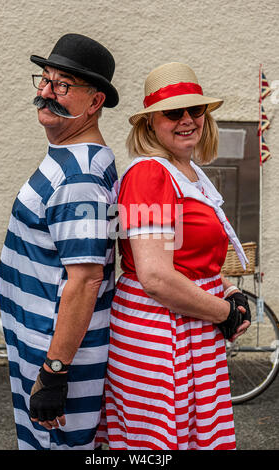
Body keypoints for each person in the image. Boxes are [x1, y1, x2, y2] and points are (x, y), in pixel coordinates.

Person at [103, 62, 251, 450]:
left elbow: (191, 260)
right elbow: (154, 277)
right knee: (160, 444)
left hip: (189, 325)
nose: (187, 120)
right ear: (150, 123)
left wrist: (227, 291)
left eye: (195, 110)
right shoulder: (148, 175)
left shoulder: (186, 170)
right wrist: (224, 313)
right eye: (173, 112)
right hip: (160, 331)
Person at [0, 33, 119, 450]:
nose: (46, 92)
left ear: (95, 102)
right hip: (39, 341)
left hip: (55, 354)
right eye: (45, 79)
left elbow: (85, 280)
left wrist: (53, 373)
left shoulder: (79, 179)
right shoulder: (69, 158)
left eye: (63, 85)